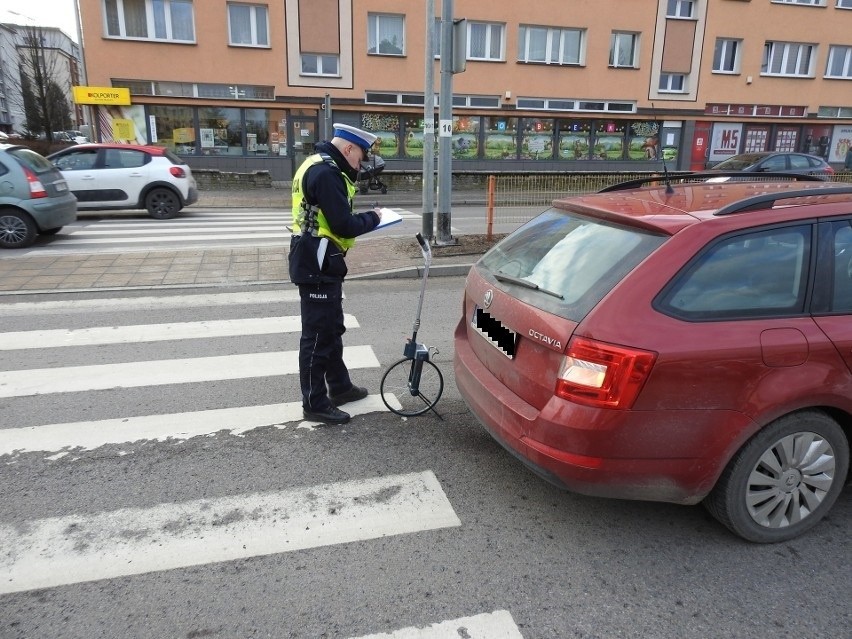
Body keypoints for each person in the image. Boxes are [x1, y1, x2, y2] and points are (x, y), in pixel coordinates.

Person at [288, 123, 383, 424]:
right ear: (348, 149)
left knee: (331, 328)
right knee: (318, 336)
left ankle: (339, 386)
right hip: (317, 261)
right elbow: (343, 225)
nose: (361, 163)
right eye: (360, 156)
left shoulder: (318, 164)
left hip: (319, 259)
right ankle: (314, 403)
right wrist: (376, 218)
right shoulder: (327, 173)